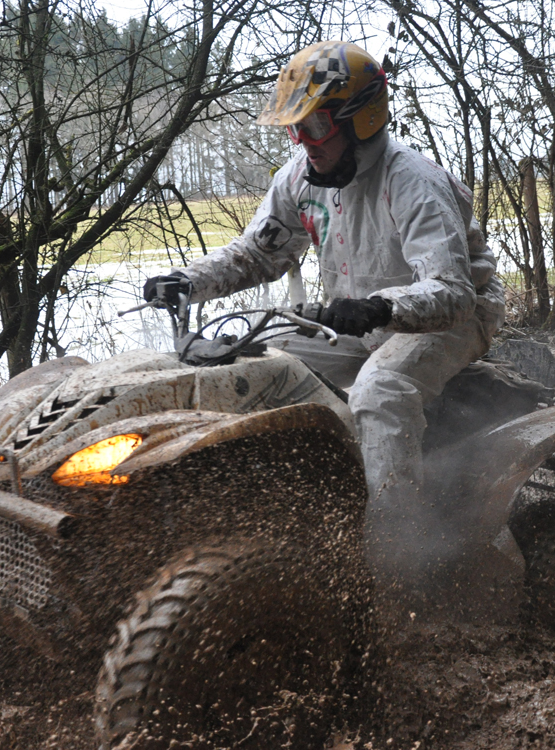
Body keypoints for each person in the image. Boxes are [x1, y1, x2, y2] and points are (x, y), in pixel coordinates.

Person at [144, 40, 505, 586]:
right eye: (295, 130)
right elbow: (258, 253)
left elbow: (453, 292)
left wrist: (381, 306)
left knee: (380, 391)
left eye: (314, 129)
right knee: (255, 365)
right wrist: (186, 282)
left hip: (454, 318)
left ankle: (398, 558)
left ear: (363, 120)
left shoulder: (414, 183)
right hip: (356, 317)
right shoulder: (300, 178)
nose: (303, 144)